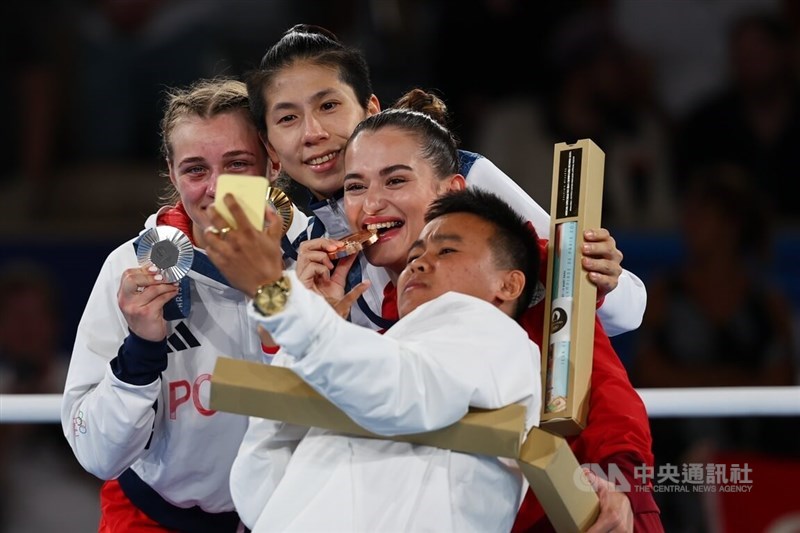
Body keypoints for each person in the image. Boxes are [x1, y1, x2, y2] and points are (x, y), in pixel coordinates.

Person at [295, 95, 662, 531]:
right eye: (355, 187)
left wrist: (618, 482)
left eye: (395, 181)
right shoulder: (365, 309)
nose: (370, 204)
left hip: (590, 511)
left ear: (450, 190)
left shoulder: (526, 265)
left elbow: (603, 390)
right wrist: (310, 331)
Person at [245, 23, 647, 338]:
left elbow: (628, 309)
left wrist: (603, 281)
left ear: (369, 110)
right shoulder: (302, 248)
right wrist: (305, 316)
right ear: (271, 148)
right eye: (287, 118)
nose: (312, 132)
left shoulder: (465, 180)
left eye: (329, 105)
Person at [205, 186, 543, 532]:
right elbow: (259, 494)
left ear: (509, 284)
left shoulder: (495, 336)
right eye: (414, 257)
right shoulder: (381, 358)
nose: (419, 263)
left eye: (447, 250)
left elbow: (403, 390)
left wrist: (278, 295)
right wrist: (301, 351)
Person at [60, 77, 283, 532]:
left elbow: (332, 396)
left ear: (272, 163)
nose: (217, 188)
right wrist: (140, 353)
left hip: (289, 517)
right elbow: (97, 455)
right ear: (171, 171)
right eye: (196, 170)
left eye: (238, 164)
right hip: (154, 519)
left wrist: (273, 289)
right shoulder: (131, 267)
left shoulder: (314, 256)